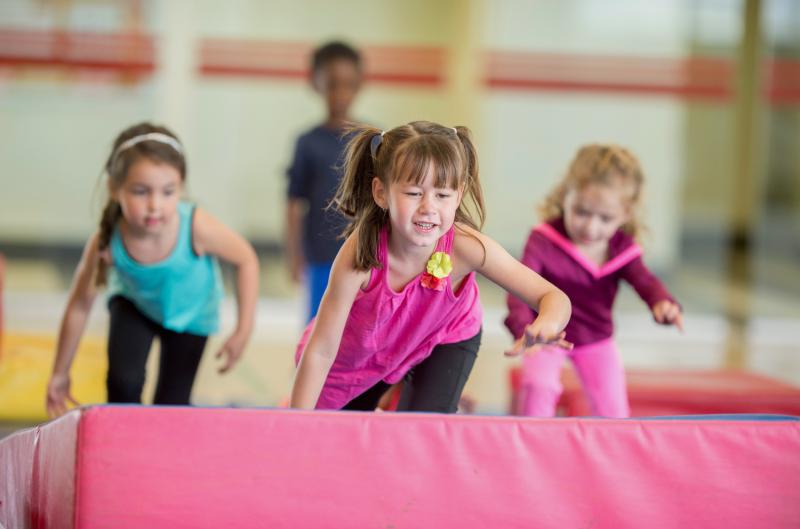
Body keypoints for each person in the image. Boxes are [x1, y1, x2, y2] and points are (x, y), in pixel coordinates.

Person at [290, 121, 572, 412]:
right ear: (381, 192)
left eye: (442, 195)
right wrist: (297, 422)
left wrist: (547, 323)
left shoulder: (467, 247)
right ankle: (396, 393)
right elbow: (321, 350)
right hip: (361, 356)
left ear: (458, 195)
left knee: (420, 427)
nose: (428, 208)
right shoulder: (361, 254)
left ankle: (427, 395)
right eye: (414, 193)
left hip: (446, 335)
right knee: (337, 429)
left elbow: (553, 297)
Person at [46, 122, 259, 417]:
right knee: (123, 383)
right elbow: (80, 306)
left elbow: (246, 259)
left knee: (170, 407)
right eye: (140, 191)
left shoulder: (197, 227)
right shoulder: (107, 240)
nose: (155, 205)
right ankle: (120, 440)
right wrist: (60, 372)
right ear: (115, 189)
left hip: (191, 314)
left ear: (181, 187)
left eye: (168, 192)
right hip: (136, 305)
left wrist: (243, 329)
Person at [505, 144, 683, 418]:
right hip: (546, 333)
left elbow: (645, 282)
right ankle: (533, 439)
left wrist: (662, 303)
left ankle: (613, 444)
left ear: (626, 214)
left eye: (605, 218)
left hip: (596, 338)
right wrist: (525, 329)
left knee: (613, 409)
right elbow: (519, 287)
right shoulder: (543, 240)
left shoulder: (622, 249)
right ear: (565, 197)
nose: (591, 227)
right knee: (539, 386)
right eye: (581, 212)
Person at [286, 41, 364, 321]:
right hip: (319, 256)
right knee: (318, 326)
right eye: (332, 84)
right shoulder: (307, 142)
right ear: (316, 83)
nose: (340, 93)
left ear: (359, 84)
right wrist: (294, 254)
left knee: (357, 327)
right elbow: (293, 202)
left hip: (362, 255)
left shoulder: (371, 140)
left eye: (348, 84)